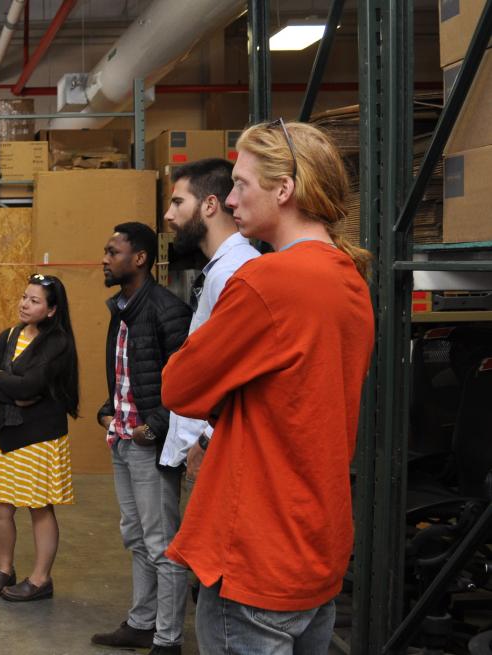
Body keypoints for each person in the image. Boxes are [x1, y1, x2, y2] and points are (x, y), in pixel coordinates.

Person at [163, 120, 373, 654]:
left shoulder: (267, 282)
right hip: (314, 548)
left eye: (241, 184)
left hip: (257, 549)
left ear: (284, 191)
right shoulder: (349, 278)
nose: (230, 200)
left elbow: (180, 387)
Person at [91, 222, 192, 655]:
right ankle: (141, 622)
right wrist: (110, 409)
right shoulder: (122, 309)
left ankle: (168, 640)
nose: (105, 259)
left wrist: (155, 426)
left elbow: (188, 384)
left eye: (113, 252)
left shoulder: (168, 310)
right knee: (134, 535)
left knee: (162, 544)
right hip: (123, 439)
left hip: (149, 445)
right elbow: (128, 374)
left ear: (141, 259)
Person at [0, 274, 80, 602]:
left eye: (35, 301)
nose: (24, 304)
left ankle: (40, 580)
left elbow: (30, 387)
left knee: (39, 507)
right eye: (24, 297)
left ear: (51, 310)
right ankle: (5, 569)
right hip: (4, 433)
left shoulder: (57, 343)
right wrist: (12, 389)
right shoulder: (9, 335)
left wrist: (3, 381)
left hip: (38, 436)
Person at [156, 158, 261, 480]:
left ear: (210, 205)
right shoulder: (221, 268)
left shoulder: (233, 273)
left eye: (178, 202)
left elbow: (244, 371)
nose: (168, 215)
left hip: (218, 452)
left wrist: (208, 439)